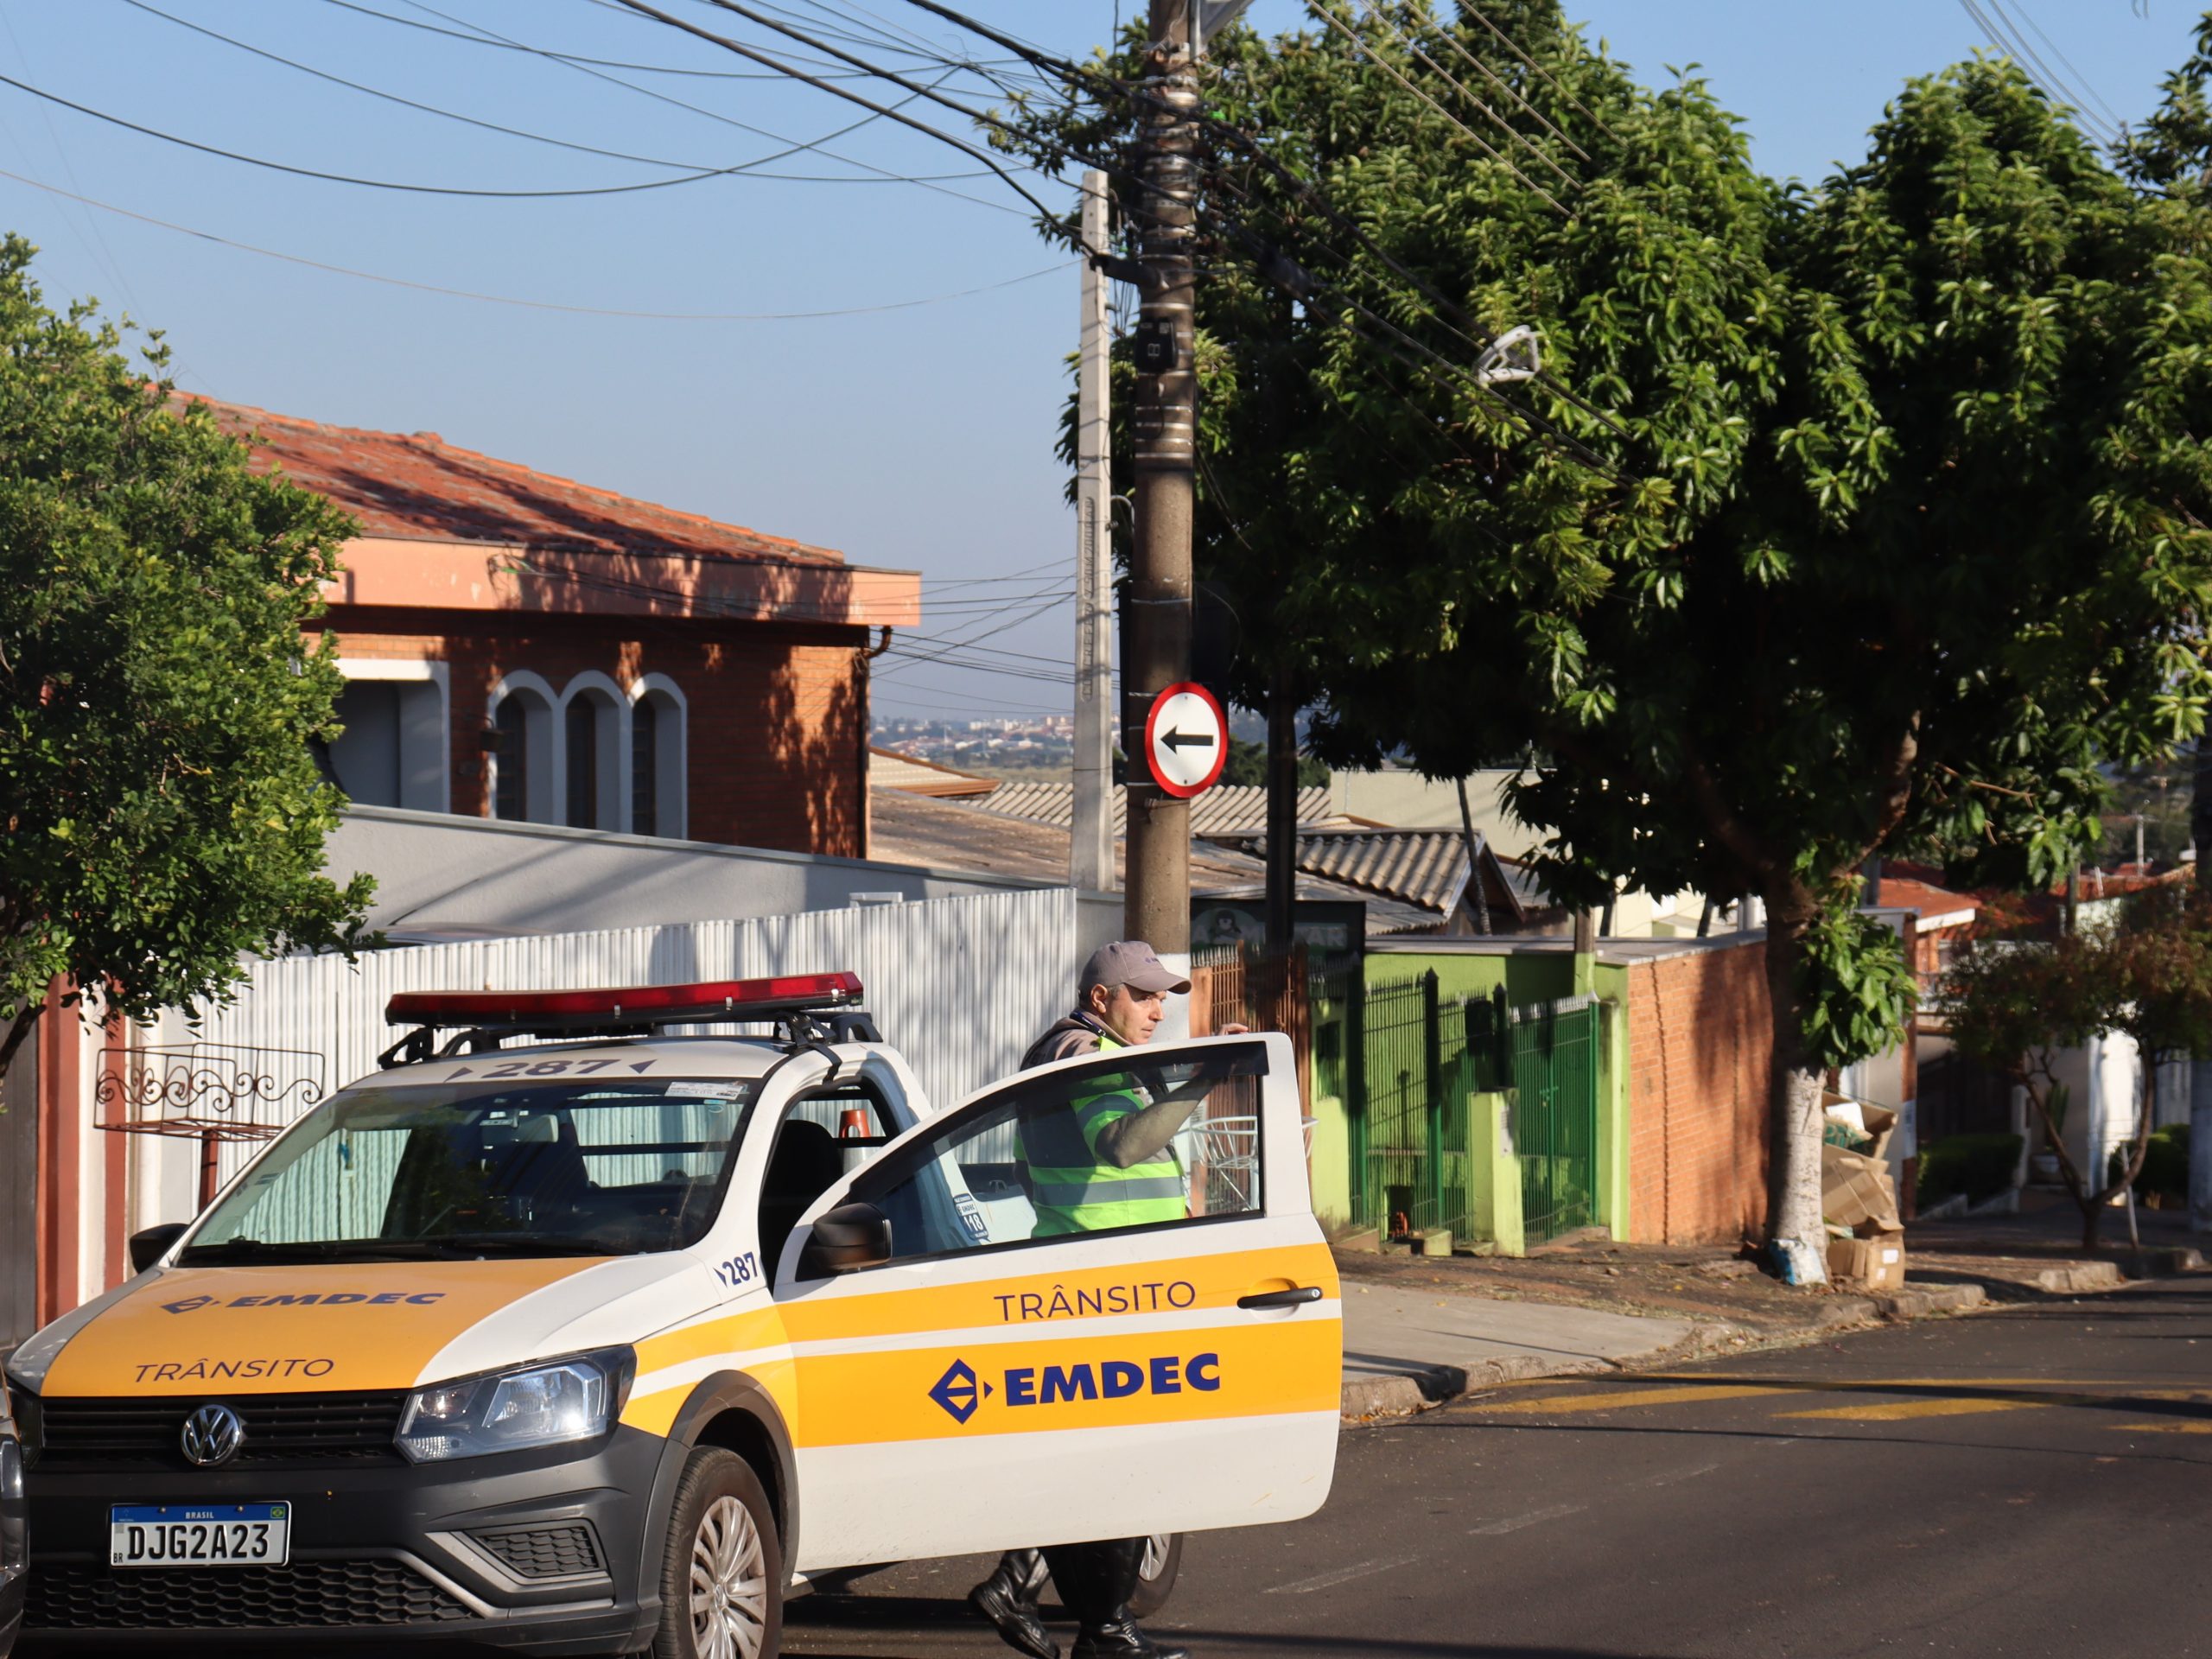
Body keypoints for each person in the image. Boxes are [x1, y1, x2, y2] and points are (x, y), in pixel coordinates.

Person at [968, 940, 1230, 1659]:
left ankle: (1033, 1589)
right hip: (1107, 1284)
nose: (1156, 1009)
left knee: (1096, 1455)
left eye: (1161, 997)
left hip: (1099, 1275)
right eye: (1142, 996)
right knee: (1125, 1455)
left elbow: (1029, 1168)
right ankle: (1100, 1626)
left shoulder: (1065, 1054)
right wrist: (1201, 1081)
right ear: (1100, 999)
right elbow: (1121, 1145)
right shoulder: (1087, 1058)